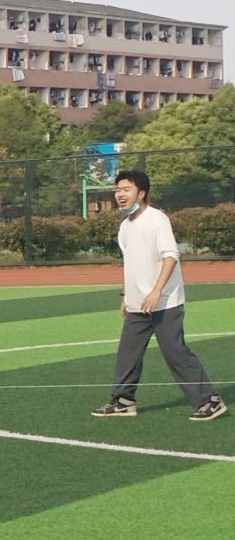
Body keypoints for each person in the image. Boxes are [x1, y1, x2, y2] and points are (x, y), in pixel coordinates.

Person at [93, 170, 226, 421]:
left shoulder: (157, 219)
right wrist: (126, 296)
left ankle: (210, 401)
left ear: (141, 193)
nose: (120, 194)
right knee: (128, 353)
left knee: (176, 353)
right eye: (118, 190)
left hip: (165, 302)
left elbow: (171, 256)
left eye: (126, 189)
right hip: (137, 304)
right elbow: (132, 264)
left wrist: (156, 291)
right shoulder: (125, 227)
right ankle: (123, 401)